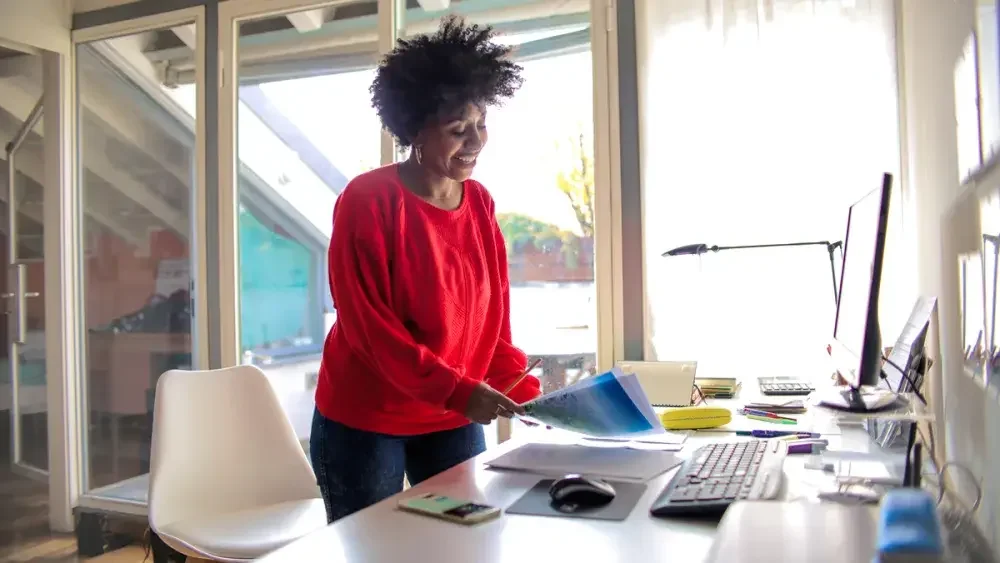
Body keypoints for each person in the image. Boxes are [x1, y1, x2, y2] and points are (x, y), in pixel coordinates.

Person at [309, 16, 542, 524]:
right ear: (415, 129)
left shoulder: (478, 203)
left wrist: (530, 392)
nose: (476, 140)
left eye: (481, 124)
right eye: (459, 130)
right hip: (368, 419)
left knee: (465, 546)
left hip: (450, 414)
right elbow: (370, 330)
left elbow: (491, 321)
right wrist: (459, 390)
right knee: (372, 550)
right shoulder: (367, 199)